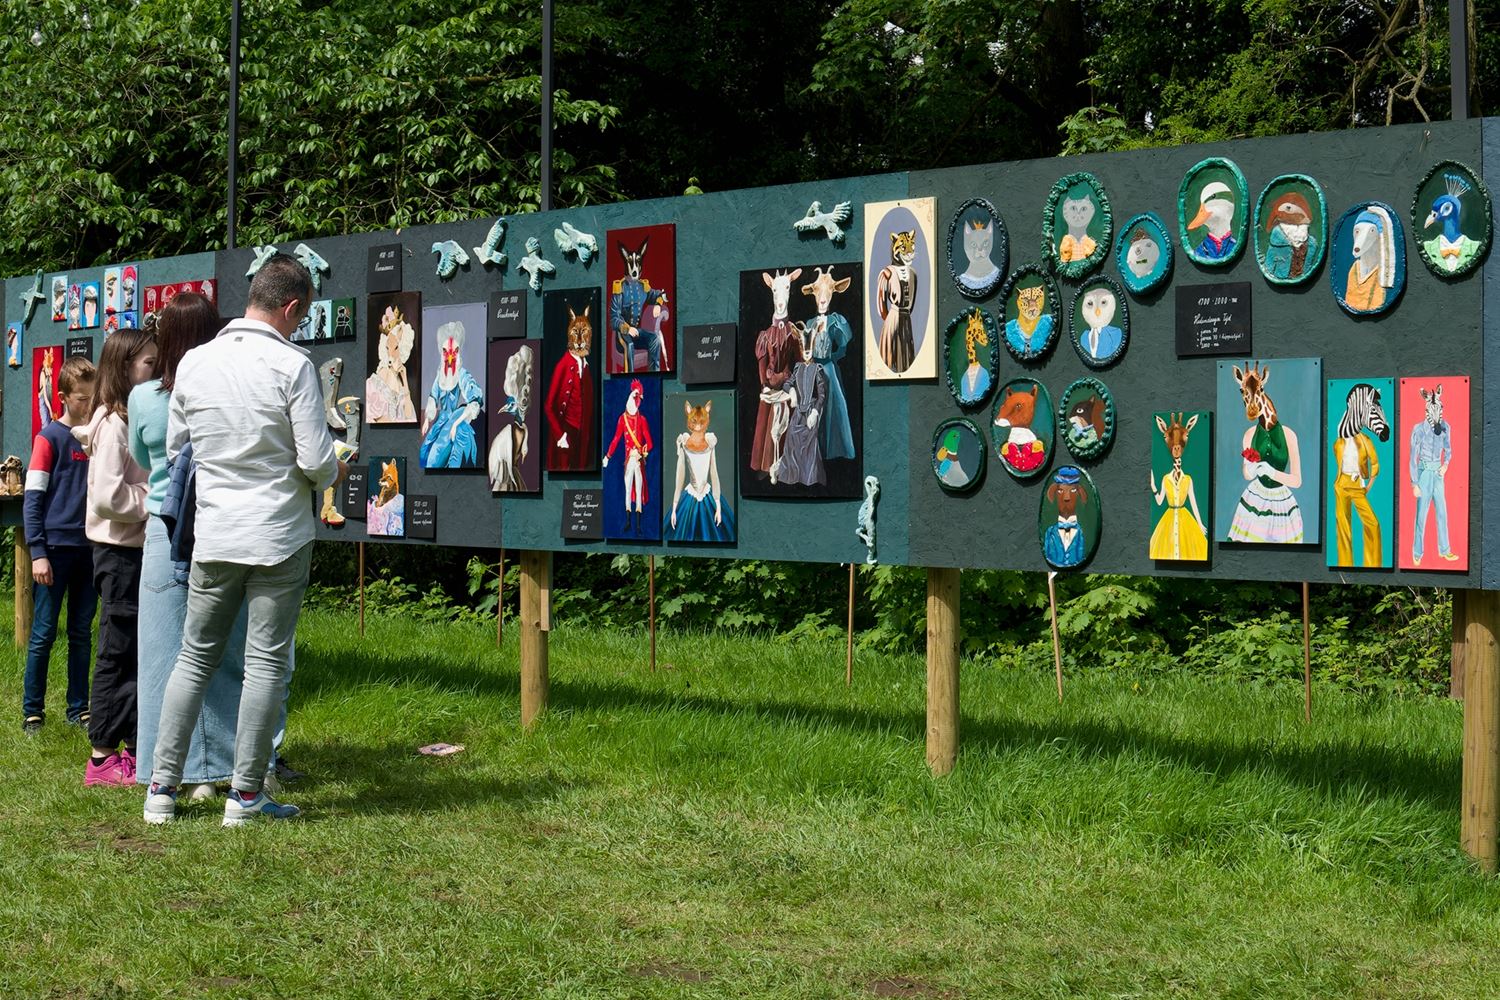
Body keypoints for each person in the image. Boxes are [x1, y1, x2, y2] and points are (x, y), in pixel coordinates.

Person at [145, 254, 344, 826]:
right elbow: (317, 463)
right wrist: (338, 465)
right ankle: (246, 796)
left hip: (213, 534)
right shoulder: (293, 365)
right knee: (264, 665)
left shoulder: (195, 362)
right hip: (278, 536)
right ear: (291, 307)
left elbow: (178, 446)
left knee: (193, 658)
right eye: (301, 317)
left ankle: (161, 790)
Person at [128, 294, 251, 800]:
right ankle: (223, 767)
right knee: (221, 647)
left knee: (162, 653)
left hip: (167, 521)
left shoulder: (144, 397)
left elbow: (143, 458)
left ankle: (166, 774)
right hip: (220, 521)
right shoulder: (229, 387)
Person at [74, 330, 156, 785]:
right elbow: (107, 497)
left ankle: (131, 746)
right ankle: (102, 758)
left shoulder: (125, 417)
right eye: (148, 364)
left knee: (133, 652)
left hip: (130, 549)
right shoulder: (113, 424)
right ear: (124, 367)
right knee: (117, 651)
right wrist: (153, 496)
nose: (156, 372)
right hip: (118, 552)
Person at [21, 356, 98, 734]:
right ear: (63, 398)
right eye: (82, 399)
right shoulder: (48, 438)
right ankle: (32, 710)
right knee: (43, 633)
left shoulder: (96, 437)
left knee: (82, 632)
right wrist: (38, 552)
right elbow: (32, 500)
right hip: (53, 551)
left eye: (93, 398)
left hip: (90, 550)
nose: (88, 405)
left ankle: (78, 708)